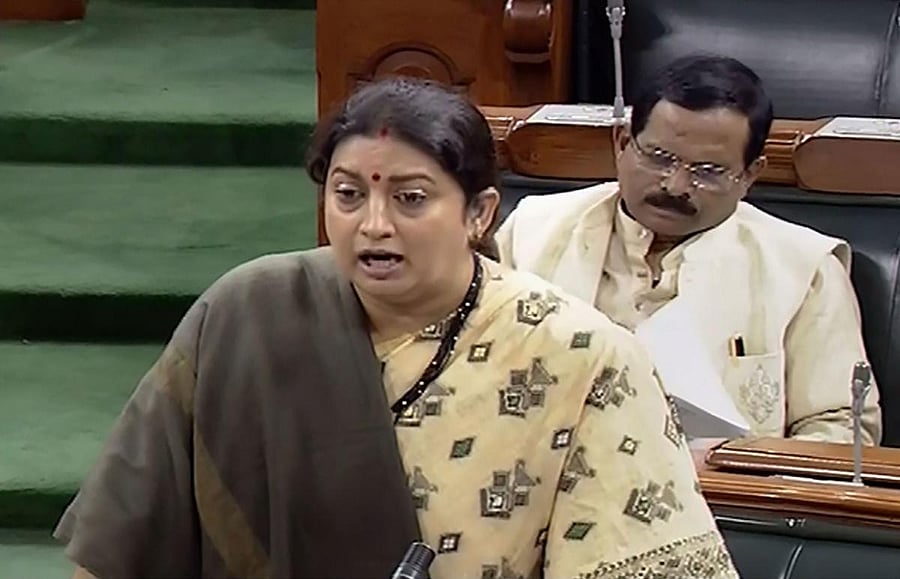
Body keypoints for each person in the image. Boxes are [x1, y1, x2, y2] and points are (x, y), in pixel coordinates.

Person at [55, 77, 738, 579]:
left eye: (410, 198)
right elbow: (121, 543)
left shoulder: (580, 356)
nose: (373, 225)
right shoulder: (249, 311)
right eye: (348, 194)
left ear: (479, 213)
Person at [496, 55, 882, 452]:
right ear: (623, 143)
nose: (676, 185)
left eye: (709, 171)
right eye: (659, 158)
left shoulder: (804, 268)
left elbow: (840, 429)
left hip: (720, 503)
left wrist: (733, 470)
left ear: (750, 175)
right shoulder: (531, 231)